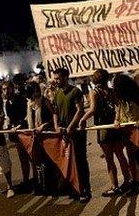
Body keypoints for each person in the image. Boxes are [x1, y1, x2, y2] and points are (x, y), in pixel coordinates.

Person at [80, 69, 133, 197]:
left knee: (109, 159)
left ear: (94, 79)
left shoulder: (94, 92)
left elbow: (92, 109)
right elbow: (118, 105)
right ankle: (128, 181)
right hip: (114, 125)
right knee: (120, 155)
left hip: (103, 127)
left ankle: (114, 186)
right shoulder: (110, 91)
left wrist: (82, 119)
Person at [52, 68, 91, 203]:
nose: (55, 81)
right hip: (64, 133)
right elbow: (55, 111)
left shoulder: (76, 91)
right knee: (68, 161)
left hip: (76, 133)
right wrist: (57, 126)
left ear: (65, 77)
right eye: (55, 78)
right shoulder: (57, 94)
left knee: (80, 161)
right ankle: (74, 189)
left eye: (58, 78)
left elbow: (79, 110)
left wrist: (71, 127)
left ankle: (85, 189)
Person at [2, 81, 30, 191]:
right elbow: (10, 118)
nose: (6, 91)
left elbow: (26, 115)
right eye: (4, 89)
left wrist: (19, 125)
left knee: (31, 158)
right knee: (23, 159)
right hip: (17, 134)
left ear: (13, 88)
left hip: (25, 132)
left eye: (7, 89)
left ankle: (38, 180)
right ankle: (26, 180)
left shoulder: (21, 100)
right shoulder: (8, 103)